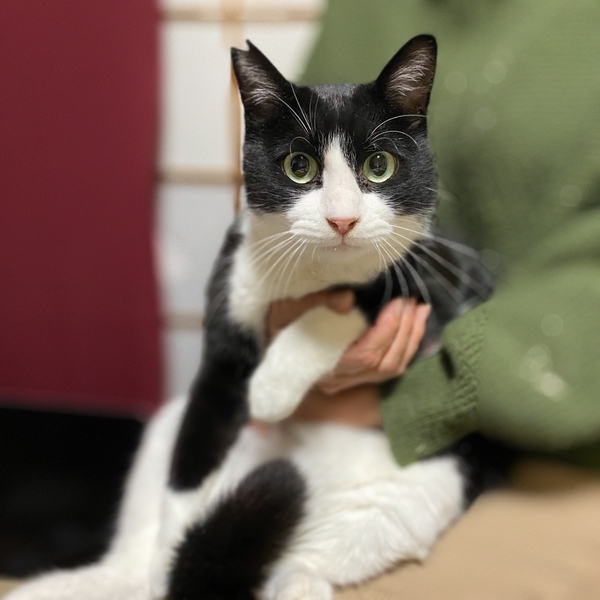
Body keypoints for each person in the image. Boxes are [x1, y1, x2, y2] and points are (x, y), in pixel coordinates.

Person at [263, 0, 600, 596]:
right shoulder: (360, 14)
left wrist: (410, 394)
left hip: (563, 440)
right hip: (339, 407)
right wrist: (291, 316)